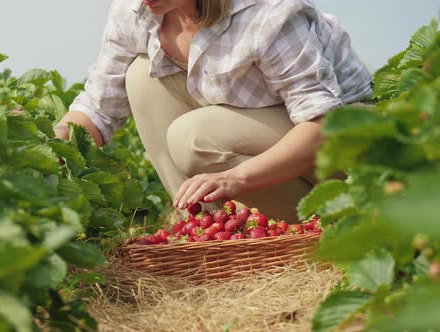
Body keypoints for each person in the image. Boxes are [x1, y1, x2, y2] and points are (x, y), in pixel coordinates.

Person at [54, 0, 372, 222]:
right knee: (140, 75)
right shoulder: (136, 8)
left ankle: (321, 219)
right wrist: (46, 147)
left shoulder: (267, 11)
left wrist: (236, 179)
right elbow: (98, 107)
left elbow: (321, 123)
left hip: (339, 137)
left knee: (191, 138)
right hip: (270, 124)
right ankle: (210, 228)